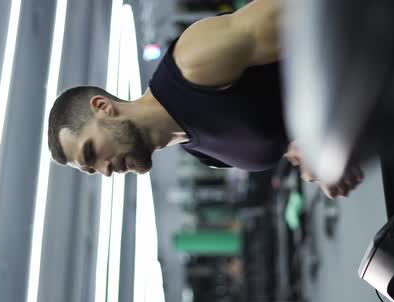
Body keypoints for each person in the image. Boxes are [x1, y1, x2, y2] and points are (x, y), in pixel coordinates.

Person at [47, 0, 363, 199]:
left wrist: (317, 133)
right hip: (391, 113)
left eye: (92, 152)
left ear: (103, 108)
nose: (104, 171)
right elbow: (284, 123)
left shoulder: (192, 63)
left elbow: (311, 11)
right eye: (92, 171)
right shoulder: (201, 151)